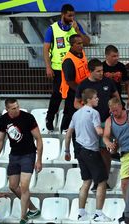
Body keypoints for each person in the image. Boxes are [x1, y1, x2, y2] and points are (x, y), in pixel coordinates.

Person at [0, 98, 43, 224]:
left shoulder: (27, 118)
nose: (17, 110)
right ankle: (33, 209)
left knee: (24, 186)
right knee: (13, 186)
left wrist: (39, 159)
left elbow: (38, 138)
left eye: (17, 107)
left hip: (28, 154)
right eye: (13, 108)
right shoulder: (3, 119)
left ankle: (23, 218)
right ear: (7, 109)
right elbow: (1, 140)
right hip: (14, 155)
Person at [64, 88, 111, 222]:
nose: (98, 99)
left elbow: (68, 134)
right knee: (102, 181)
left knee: (86, 181)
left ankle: (81, 212)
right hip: (90, 150)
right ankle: (99, 213)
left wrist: (67, 151)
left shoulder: (76, 114)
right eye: (95, 97)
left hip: (79, 150)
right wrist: (108, 130)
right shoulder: (94, 113)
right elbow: (99, 132)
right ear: (88, 100)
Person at [43, 3, 90, 132]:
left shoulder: (76, 26)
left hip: (72, 68)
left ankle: (65, 125)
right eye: (69, 15)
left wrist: (78, 31)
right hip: (58, 69)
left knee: (71, 97)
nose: (72, 18)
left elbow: (87, 41)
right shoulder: (52, 29)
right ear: (63, 15)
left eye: (73, 15)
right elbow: (46, 49)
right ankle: (50, 117)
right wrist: (48, 66)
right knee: (57, 95)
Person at [75, 58, 120, 179]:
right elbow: (76, 103)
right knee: (93, 151)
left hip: (106, 120)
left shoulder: (108, 82)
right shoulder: (83, 85)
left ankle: (104, 179)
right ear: (90, 71)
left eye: (102, 70)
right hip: (90, 124)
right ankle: (96, 179)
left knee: (105, 151)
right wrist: (88, 112)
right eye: (98, 71)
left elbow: (116, 96)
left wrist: (116, 108)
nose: (101, 73)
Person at [103, 97, 129, 198]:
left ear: (121, 106)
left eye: (116, 110)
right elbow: (105, 136)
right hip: (125, 153)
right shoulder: (110, 120)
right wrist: (108, 143)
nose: (114, 113)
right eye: (112, 111)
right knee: (124, 184)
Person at [58, 34, 90, 132]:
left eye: (82, 43)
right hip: (72, 91)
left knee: (72, 112)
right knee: (71, 112)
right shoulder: (68, 61)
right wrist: (82, 92)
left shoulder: (81, 53)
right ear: (72, 45)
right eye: (78, 43)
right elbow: (70, 82)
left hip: (82, 88)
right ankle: (65, 129)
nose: (81, 46)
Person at [103, 45, 129, 109]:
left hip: (118, 99)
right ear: (107, 56)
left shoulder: (121, 66)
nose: (117, 58)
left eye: (117, 56)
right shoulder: (101, 67)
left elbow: (128, 83)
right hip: (104, 99)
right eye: (114, 56)